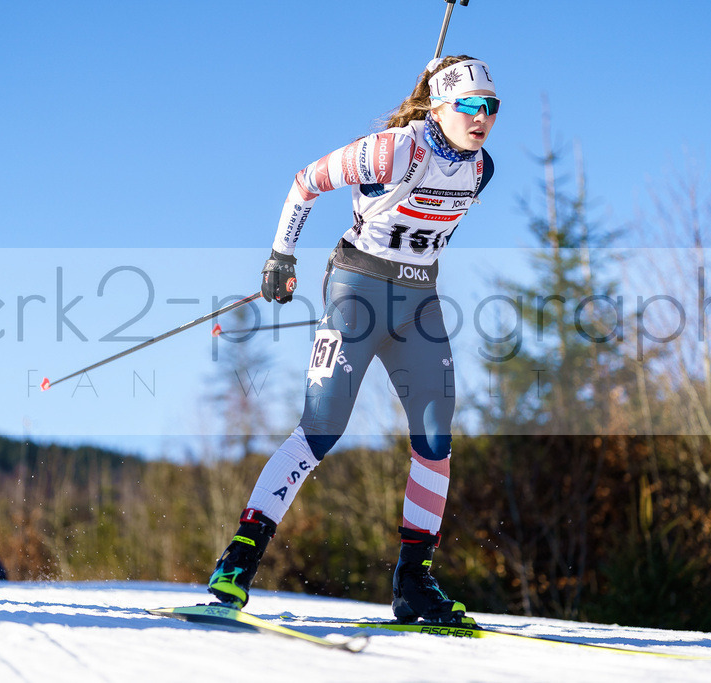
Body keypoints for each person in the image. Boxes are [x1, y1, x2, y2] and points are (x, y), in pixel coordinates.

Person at [208, 55, 498, 625]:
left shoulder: (482, 168)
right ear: (439, 106)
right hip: (357, 293)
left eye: (491, 106)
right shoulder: (394, 149)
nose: (482, 116)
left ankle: (413, 581)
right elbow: (306, 182)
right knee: (322, 427)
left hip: (420, 303)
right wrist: (280, 255)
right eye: (469, 104)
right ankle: (240, 558)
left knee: (436, 435)